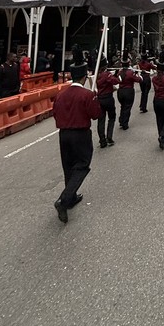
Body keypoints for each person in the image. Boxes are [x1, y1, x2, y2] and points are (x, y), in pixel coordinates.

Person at [51, 63, 102, 223]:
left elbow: (55, 113)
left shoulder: (60, 94)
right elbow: (95, 115)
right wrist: (95, 99)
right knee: (82, 166)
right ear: (84, 77)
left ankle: (71, 197)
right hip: (80, 134)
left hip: (64, 134)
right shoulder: (86, 95)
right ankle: (64, 199)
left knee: (68, 167)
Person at [95, 61, 119, 147]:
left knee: (101, 120)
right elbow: (116, 81)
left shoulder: (97, 75)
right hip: (108, 98)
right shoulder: (107, 74)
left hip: (100, 98)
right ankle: (109, 137)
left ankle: (102, 140)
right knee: (112, 117)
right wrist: (116, 76)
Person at [116, 58, 142, 130]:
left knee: (123, 106)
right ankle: (125, 123)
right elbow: (138, 80)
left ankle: (121, 120)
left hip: (120, 91)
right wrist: (139, 75)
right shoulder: (130, 72)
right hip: (128, 91)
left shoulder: (119, 72)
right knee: (127, 107)